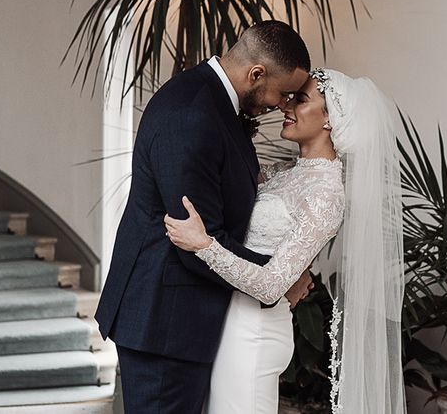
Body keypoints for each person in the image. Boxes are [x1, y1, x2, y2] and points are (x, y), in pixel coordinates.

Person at [94, 21, 312, 414]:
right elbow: (195, 241)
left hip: (182, 318)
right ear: (256, 74)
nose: (282, 104)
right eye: (283, 93)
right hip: (164, 321)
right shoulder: (193, 114)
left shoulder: (211, 100)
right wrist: (281, 277)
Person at [165, 68, 407, 414]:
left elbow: (271, 286)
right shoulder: (283, 172)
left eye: (302, 99)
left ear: (330, 120)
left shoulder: (325, 194)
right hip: (228, 322)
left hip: (255, 332)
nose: (287, 105)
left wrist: (205, 245)